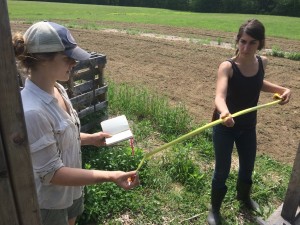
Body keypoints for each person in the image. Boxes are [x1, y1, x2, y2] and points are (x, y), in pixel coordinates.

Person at [12, 21, 140, 225]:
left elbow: (62, 137)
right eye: (67, 58)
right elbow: (53, 174)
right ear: (43, 60)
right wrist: (112, 175)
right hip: (51, 202)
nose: (74, 63)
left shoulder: (58, 90)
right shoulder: (33, 112)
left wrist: (92, 139)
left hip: (72, 189)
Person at [208, 19, 291, 225]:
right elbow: (219, 96)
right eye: (242, 41)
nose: (245, 47)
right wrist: (225, 113)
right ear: (237, 40)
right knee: (222, 169)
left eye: (252, 43)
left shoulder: (262, 62)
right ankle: (215, 210)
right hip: (225, 127)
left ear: (260, 43)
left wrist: (280, 90)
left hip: (248, 127)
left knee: (248, 166)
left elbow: (256, 82)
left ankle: (243, 197)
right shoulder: (227, 66)